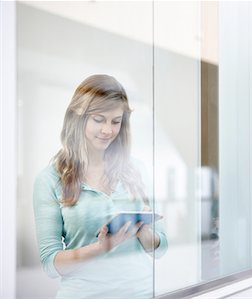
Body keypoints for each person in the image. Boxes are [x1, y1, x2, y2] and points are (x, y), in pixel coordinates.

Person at [33, 74, 167, 298]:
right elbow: (50, 264)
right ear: (78, 117)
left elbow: (161, 248)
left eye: (116, 122)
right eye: (98, 119)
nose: (108, 130)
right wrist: (102, 246)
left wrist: (143, 230)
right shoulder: (49, 179)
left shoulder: (136, 170)